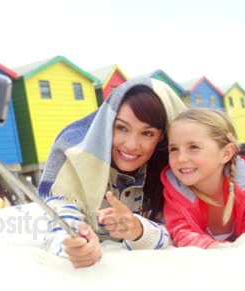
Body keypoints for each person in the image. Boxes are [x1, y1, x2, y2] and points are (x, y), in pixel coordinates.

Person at [39, 77, 188, 268]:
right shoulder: (77, 162)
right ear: (106, 125)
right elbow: (60, 222)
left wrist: (138, 229)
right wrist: (76, 246)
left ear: (162, 137)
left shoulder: (170, 172)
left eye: (148, 133)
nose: (131, 145)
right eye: (121, 128)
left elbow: (177, 231)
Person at [161, 108, 245, 248]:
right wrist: (213, 247)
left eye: (194, 147)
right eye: (174, 149)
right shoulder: (175, 190)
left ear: (226, 153)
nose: (181, 158)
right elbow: (180, 232)